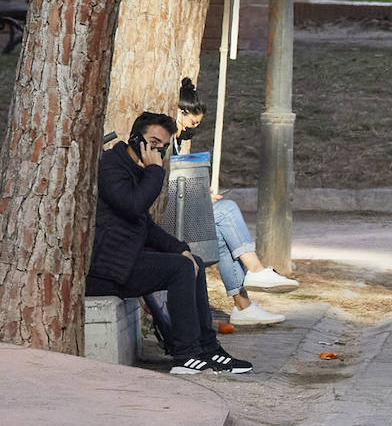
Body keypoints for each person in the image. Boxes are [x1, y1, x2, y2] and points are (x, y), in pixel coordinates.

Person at [86, 112, 253, 376]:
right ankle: (185, 355)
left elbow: (145, 225)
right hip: (106, 269)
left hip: (125, 260)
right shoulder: (111, 167)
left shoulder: (134, 168)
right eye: (153, 143)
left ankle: (208, 349)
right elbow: (133, 206)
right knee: (179, 269)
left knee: (191, 261)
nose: (158, 151)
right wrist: (155, 171)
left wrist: (180, 249)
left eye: (163, 147)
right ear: (135, 138)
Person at [173, 78, 298, 326]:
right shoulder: (166, 142)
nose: (193, 128)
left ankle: (243, 306)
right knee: (227, 210)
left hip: (183, 212)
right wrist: (200, 197)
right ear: (180, 113)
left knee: (222, 237)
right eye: (192, 122)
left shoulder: (177, 142)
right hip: (172, 218)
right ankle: (255, 270)